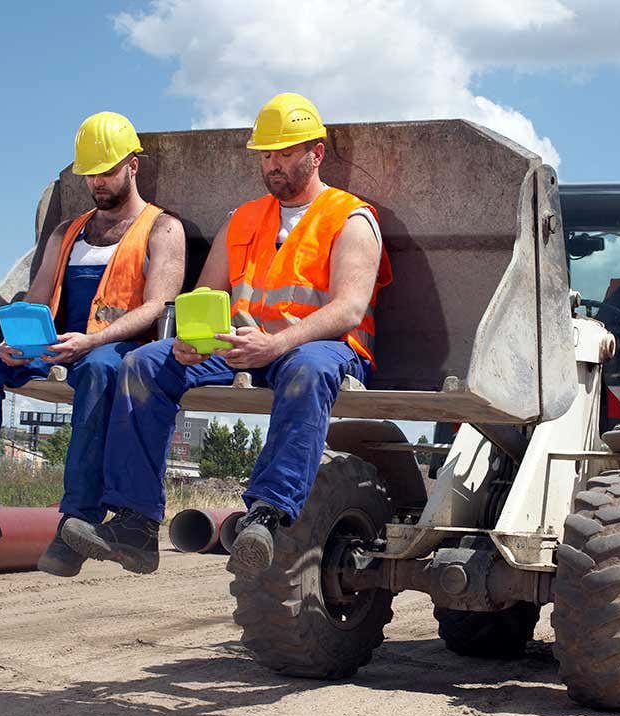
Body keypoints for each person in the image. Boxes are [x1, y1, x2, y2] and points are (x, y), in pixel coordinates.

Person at [62, 92, 392, 577]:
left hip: (319, 347)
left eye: (283, 154)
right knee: (143, 364)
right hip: (238, 344)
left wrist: (278, 343)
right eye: (266, 155)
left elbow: (349, 309)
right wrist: (191, 337)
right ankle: (135, 522)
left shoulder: (350, 217)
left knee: (308, 369)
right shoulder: (244, 218)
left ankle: (267, 515)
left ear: (315, 154)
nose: (272, 165)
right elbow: (205, 293)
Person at [0, 112, 185, 577]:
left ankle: (78, 520)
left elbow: (159, 306)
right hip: (53, 345)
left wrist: (93, 339)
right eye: (90, 173)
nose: (97, 182)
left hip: (110, 346)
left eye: (106, 171)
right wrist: (16, 343)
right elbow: (37, 300)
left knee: (101, 371)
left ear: (132, 165)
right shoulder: (66, 233)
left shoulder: (163, 229)